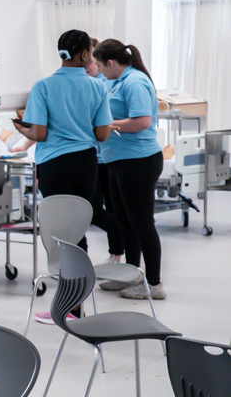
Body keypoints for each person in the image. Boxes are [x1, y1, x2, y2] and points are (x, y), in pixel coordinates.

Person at [14, 29, 113, 324]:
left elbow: (39, 133)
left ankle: (65, 305)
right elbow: (103, 133)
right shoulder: (97, 87)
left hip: (54, 165)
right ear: (84, 54)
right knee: (79, 229)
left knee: (58, 233)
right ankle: (76, 307)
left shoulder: (43, 87)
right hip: (86, 163)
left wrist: (23, 130)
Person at [93, 39, 166, 300]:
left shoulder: (135, 82)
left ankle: (154, 284)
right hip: (118, 161)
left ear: (111, 63)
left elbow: (142, 121)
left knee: (141, 222)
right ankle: (131, 274)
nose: (98, 70)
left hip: (139, 161)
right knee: (124, 221)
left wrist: (107, 124)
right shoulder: (116, 81)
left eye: (100, 65)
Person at [85, 38, 125, 264]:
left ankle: (116, 254)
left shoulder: (105, 83)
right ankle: (124, 235)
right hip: (93, 157)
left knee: (112, 206)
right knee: (92, 208)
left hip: (108, 157)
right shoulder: (86, 82)